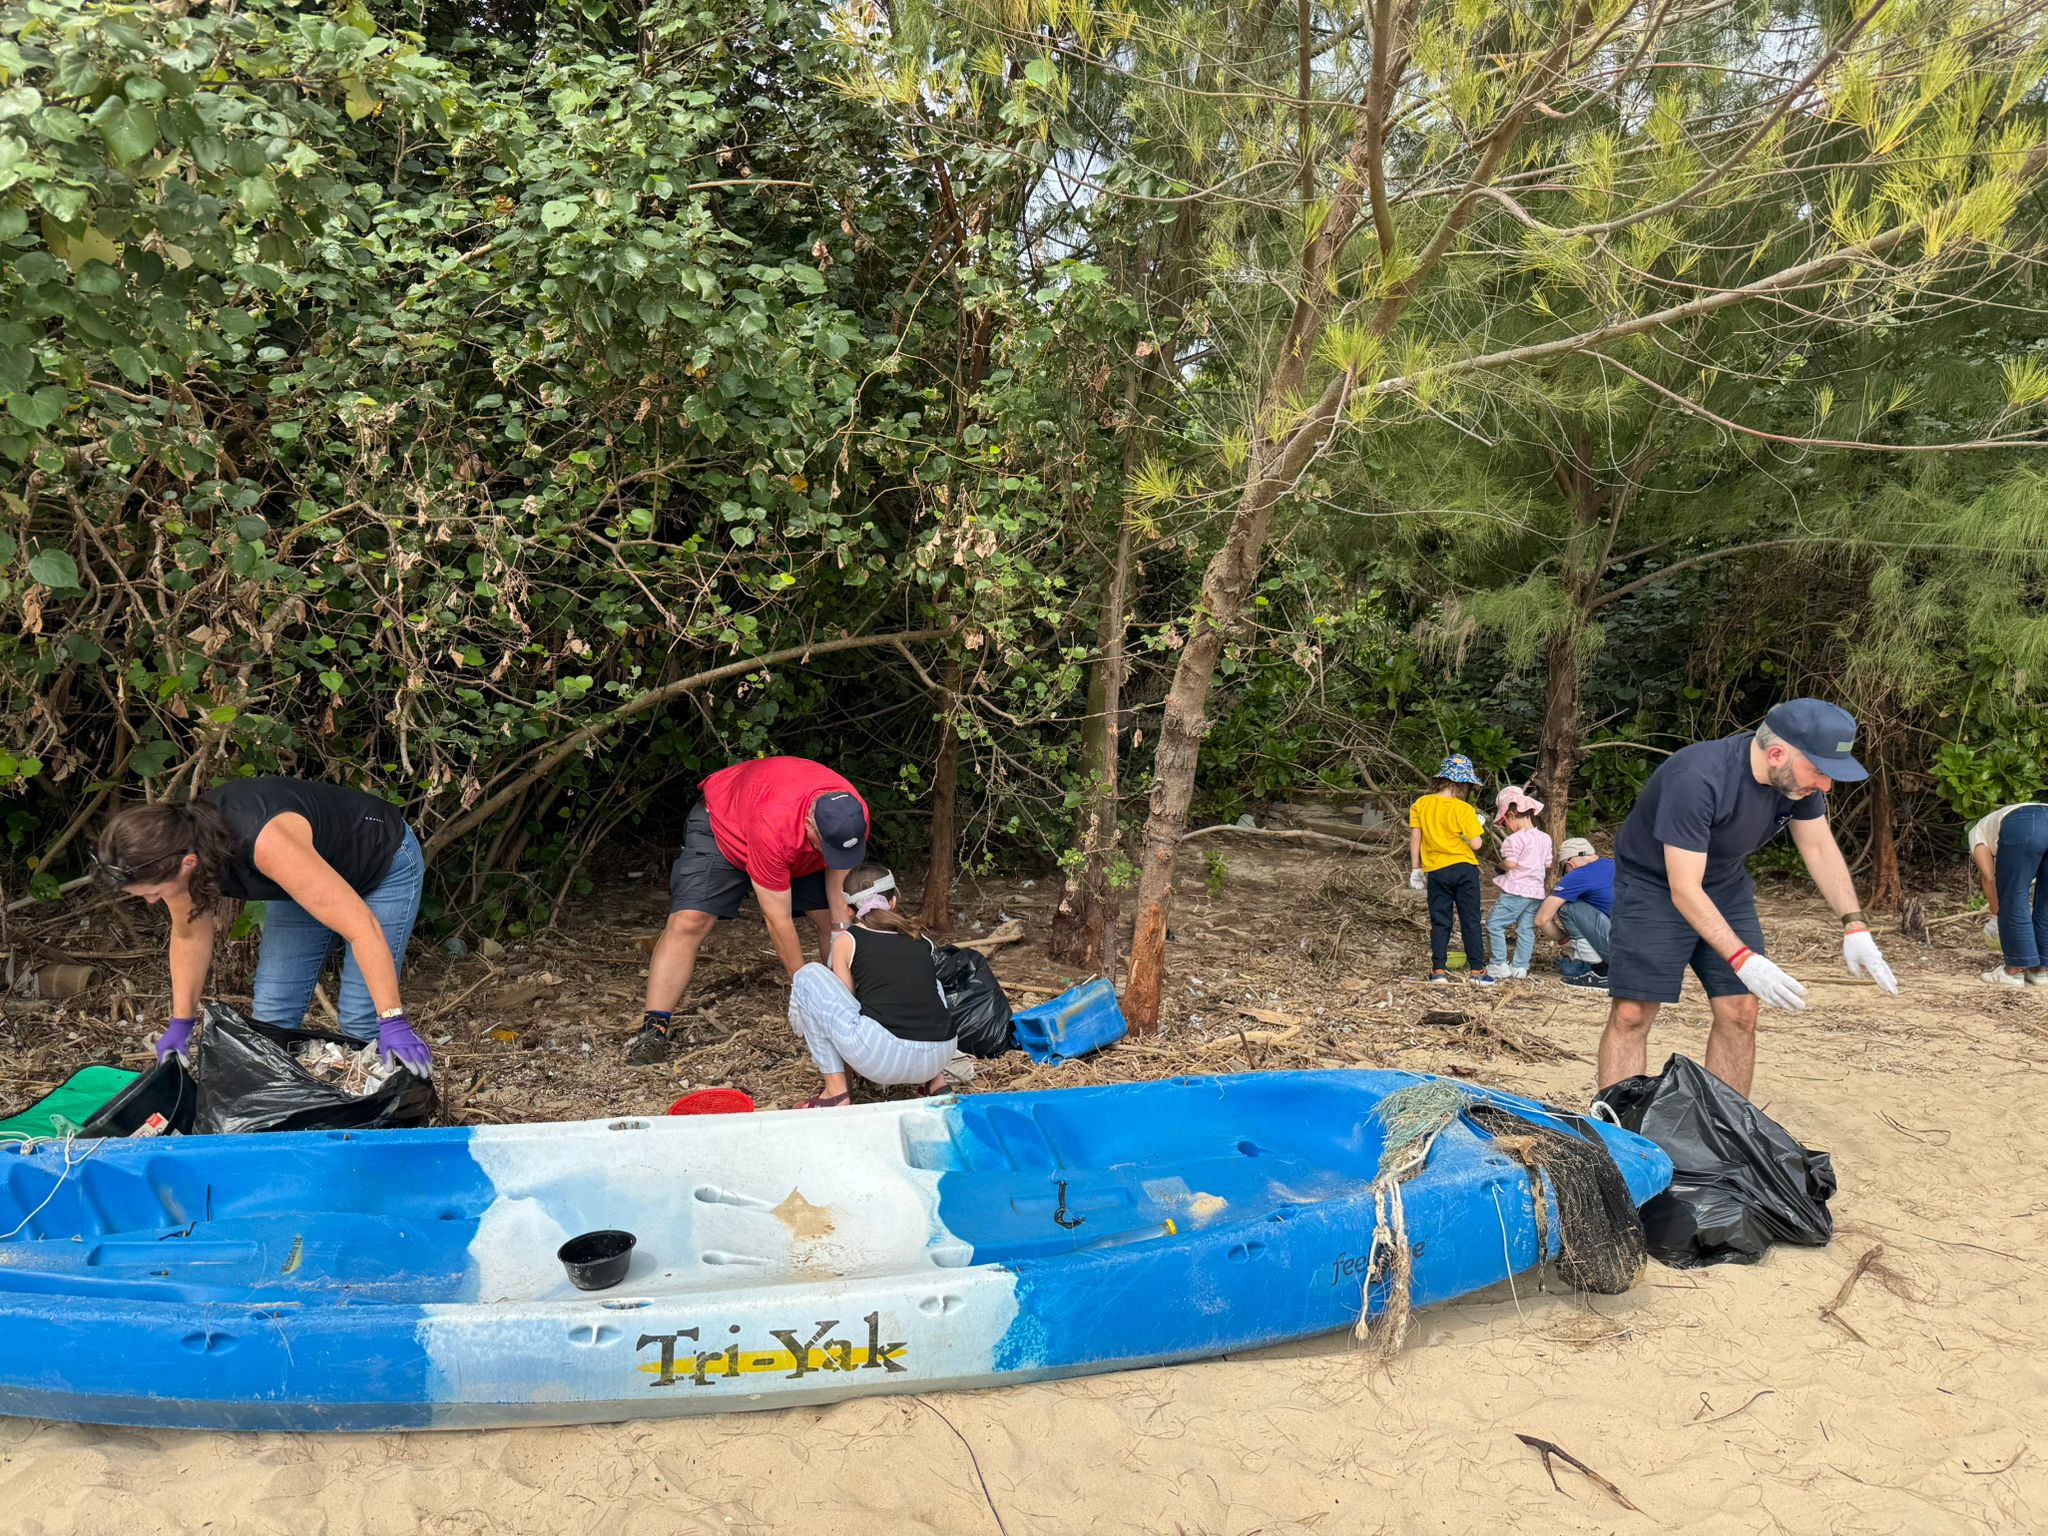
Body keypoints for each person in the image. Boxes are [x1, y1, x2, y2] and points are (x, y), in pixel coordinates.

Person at [1594, 699, 1898, 1099]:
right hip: (1655, 888)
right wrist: (1744, 959)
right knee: (1633, 1013)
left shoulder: (1796, 781)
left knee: (1741, 1011)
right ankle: (1618, 1133)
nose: (1826, 786)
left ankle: (1725, 1128)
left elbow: (1820, 847)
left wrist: (1854, 924)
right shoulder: (1698, 777)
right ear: (1776, 754)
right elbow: (1684, 888)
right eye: (1821, 772)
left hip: (1725, 885)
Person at [95, 778, 431, 1075]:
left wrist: (393, 1020)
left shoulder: (267, 844)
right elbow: (189, 934)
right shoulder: (175, 850)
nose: (152, 901)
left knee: (362, 1021)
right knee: (272, 1018)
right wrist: (181, 1022)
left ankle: (382, 1122)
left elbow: (362, 928)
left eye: (153, 893)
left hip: (382, 861)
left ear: (189, 865)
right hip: (305, 876)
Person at [632, 756, 870, 1064]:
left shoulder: (850, 813)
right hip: (725, 825)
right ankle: (654, 1029)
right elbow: (777, 919)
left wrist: (840, 932)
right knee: (691, 920)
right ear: (810, 824)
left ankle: (844, 1013)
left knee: (832, 920)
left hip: (797, 840)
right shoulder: (774, 825)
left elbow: (838, 886)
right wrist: (803, 989)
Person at [787, 862, 957, 1108]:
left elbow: (847, 1001)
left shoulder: (848, 940)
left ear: (847, 909)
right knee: (932, 984)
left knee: (807, 975)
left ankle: (836, 1092)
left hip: (882, 1058)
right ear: (894, 901)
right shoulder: (921, 939)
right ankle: (935, 1081)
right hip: (941, 1053)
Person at [1408, 754, 1488, 985]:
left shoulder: (1421, 804)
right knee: (1470, 919)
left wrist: (1416, 868)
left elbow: (1415, 837)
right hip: (1464, 869)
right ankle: (1477, 972)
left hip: (1437, 870)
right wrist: (1470, 831)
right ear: (1459, 784)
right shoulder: (1464, 809)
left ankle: (1438, 971)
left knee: (1440, 920)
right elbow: (1477, 844)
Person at [1967, 801, 2048, 987]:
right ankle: (2041, 970)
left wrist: (1996, 912)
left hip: (2025, 822)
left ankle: (2013, 971)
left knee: (2014, 892)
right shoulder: (1994, 824)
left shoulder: (1976, 833)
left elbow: (1988, 877)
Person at [1478, 787, 1551, 983]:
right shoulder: (1545, 838)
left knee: (1495, 923)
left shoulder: (1514, 839)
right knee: (1525, 929)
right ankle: (1520, 967)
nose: (1505, 826)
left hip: (1516, 890)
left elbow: (1511, 864)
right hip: (1536, 892)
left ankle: (1499, 963)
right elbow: (1548, 863)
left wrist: (1499, 865)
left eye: (1505, 821)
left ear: (1511, 814)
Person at [1538, 836, 1614, 990]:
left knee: (1566, 906)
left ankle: (1602, 973)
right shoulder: (1615, 865)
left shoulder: (1578, 874)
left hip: (1622, 951)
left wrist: (1564, 940)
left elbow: (1542, 920)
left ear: (1569, 864)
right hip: (1650, 951)